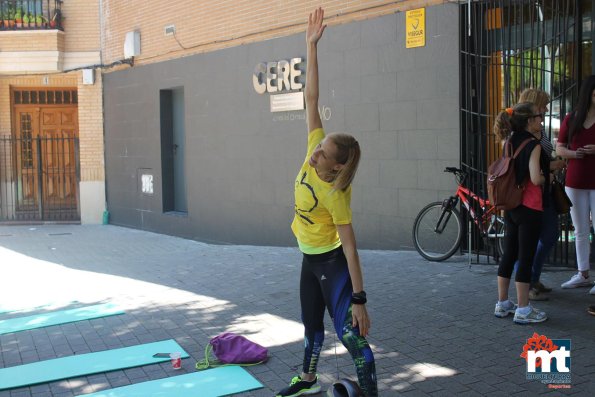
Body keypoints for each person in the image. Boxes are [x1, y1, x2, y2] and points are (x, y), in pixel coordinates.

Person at [275, 8, 378, 397]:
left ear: (336, 167)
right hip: (308, 258)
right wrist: (310, 46)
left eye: (322, 153)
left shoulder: (336, 195)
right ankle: (307, 378)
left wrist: (360, 299)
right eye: (318, 146)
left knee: (353, 339)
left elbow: (351, 248)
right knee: (310, 325)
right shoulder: (312, 150)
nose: (314, 152)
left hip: (331, 264)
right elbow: (311, 97)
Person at [493, 102, 550, 324]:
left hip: (511, 206)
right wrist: (548, 177)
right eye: (538, 116)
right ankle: (524, 309)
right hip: (530, 206)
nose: (541, 120)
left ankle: (502, 303)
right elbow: (536, 178)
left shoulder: (508, 142)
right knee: (525, 258)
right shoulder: (533, 145)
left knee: (509, 254)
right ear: (528, 120)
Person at [513, 88, 566, 301]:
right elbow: (526, 168)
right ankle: (526, 283)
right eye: (542, 106)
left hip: (544, 191)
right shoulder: (522, 135)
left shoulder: (539, 131)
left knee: (549, 235)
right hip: (532, 194)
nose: (545, 110)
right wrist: (553, 166)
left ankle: (532, 277)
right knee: (531, 240)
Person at [556, 75, 595, 295]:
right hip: (575, 182)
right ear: (588, 95)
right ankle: (583, 273)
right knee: (580, 230)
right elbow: (559, 148)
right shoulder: (571, 119)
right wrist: (574, 153)